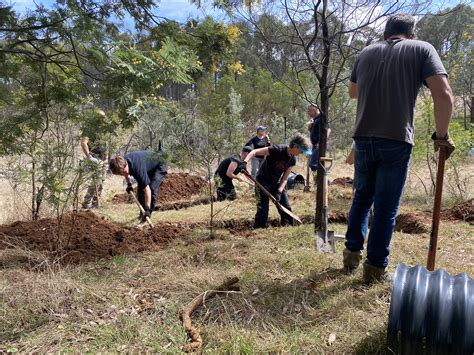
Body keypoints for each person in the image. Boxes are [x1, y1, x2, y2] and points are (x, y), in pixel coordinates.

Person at [343, 14, 455, 283]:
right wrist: (441, 135)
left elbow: (353, 92)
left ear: (385, 34)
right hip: (395, 138)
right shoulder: (421, 49)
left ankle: (350, 257)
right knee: (385, 206)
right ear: (411, 34)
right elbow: (443, 94)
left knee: (361, 199)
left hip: (363, 138)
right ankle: (375, 269)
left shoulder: (366, 52)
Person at [243, 133, 312, 229]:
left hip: (276, 184)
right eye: (301, 151)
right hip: (262, 181)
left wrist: (279, 192)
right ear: (295, 147)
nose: (301, 153)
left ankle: (287, 228)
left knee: (286, 209)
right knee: (263, 211)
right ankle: (259, 230)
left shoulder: (292, 160)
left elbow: (284, 179)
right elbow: (254, 152)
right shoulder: (277, 149)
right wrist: (244, 162)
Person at [109, 151, 168, 222]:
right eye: (121, 174)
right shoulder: (121, 163)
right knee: (140, 191)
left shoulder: (137, 168)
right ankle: (142, 214)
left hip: (160, 163)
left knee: (152, 189)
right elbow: (126, 174)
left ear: (126, 164)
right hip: (149, 165)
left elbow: (147, 190)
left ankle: (147, 215)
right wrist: (129, 184)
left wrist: (147, 209)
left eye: (124, 171)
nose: (124, 174)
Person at [81, 109, 108, 209]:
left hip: (103, 159)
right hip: (95, 159)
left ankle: (96, 203)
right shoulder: (89, 129)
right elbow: (84, 143)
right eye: (100, 118)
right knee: (95, 182)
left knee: (101, 182)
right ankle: (86, 203)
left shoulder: (102, 130)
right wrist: (89, 157)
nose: (102, 120)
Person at [307, 105, 331, 172]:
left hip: (319, 145)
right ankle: (321, 181)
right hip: (315, 145)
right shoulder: (314, 120)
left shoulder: (321, 118)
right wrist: (310, 127)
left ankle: (326, 180)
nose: (308, 112)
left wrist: (321, 143)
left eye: (309, 110)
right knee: (314, 166)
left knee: (313, 165)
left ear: (314, 110)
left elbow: (328, 130)